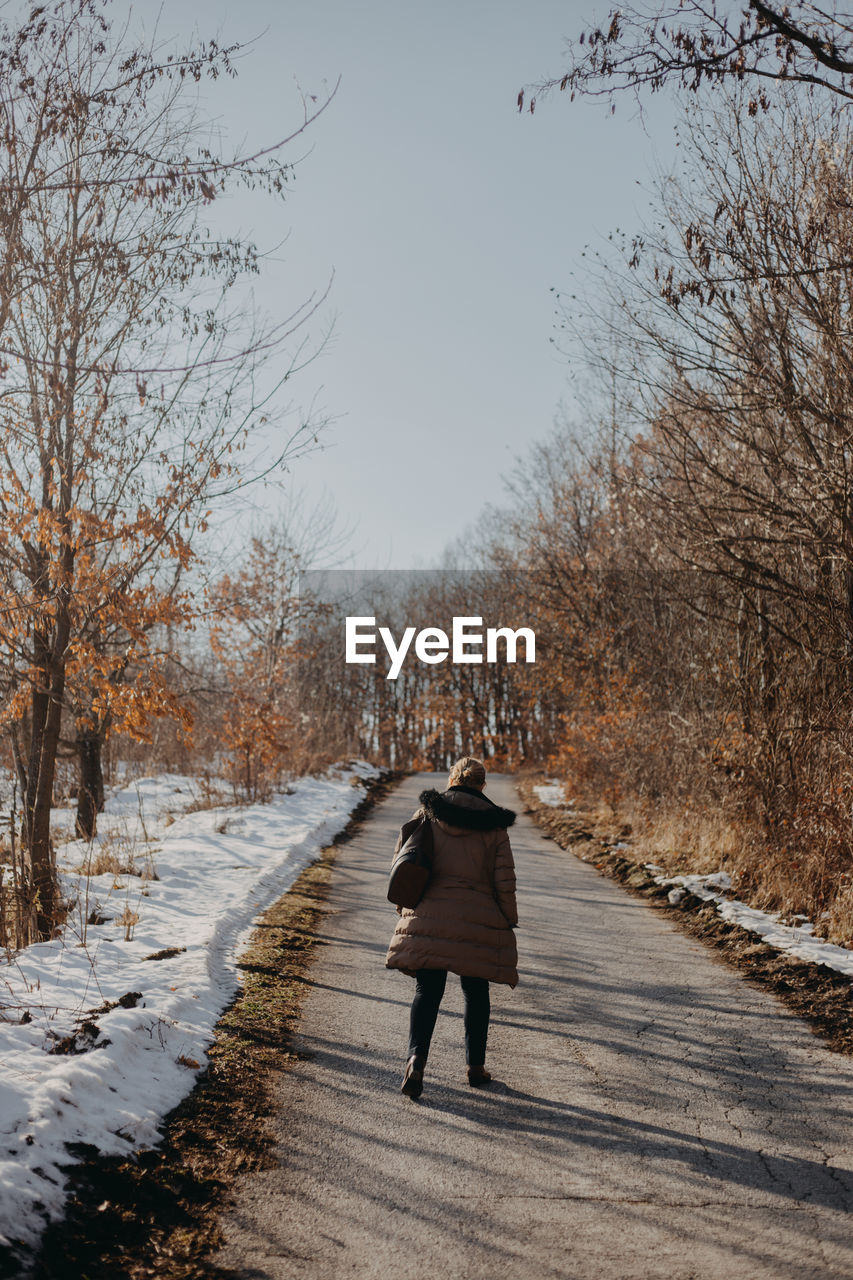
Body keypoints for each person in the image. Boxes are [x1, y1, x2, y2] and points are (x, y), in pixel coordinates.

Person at [386, 756, 518, 1099]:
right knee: (476, 992)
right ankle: (475, 1067)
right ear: (482, 785)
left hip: (429, 912)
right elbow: (504, 880)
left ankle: (416, 1059)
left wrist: (405, 909)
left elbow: (404, 861)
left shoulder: (427, 813)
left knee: (427, 992)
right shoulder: (495, 825)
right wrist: (508, 920)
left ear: (451, 780)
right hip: (478, 918)